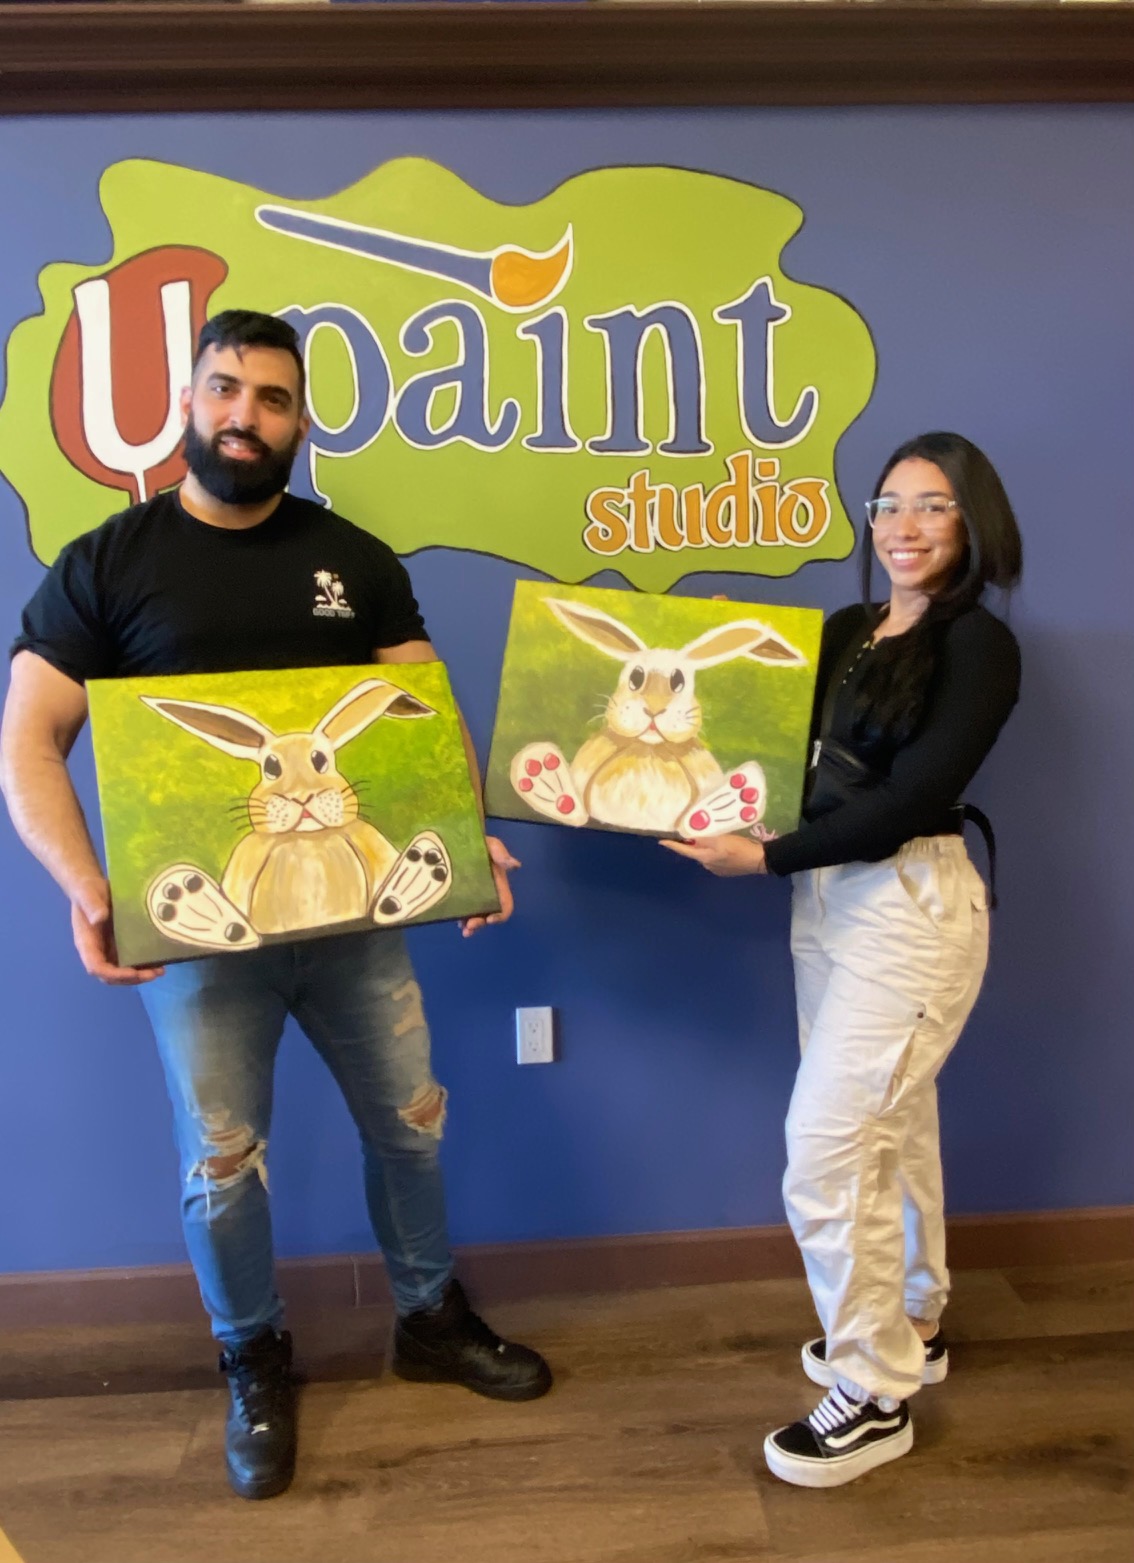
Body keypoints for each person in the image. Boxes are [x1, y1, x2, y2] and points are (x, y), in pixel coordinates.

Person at [0, 309, 552, 1502]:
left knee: (412, 1122)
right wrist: (87, 886)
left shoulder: (355, 560)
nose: (243, 415)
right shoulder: (105, 564)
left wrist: (467, 844)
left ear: (300, 423)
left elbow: (420, 712)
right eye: (224, 389)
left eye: (271, 398)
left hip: (357, 922)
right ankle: (251, 1356)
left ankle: (428, 1317)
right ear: (187, 403)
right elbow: (28, 739)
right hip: (200, 941)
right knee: (222, 1163)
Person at [664, 432, 1022, 1488]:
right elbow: (767, 740)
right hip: (825, 901)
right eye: (888, 504)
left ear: (974, 523)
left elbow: (911, 798)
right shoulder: (845, 629)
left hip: (910, 903)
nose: (904, 526)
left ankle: (873, 1391)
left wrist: (765, 856)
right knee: (892, 1124)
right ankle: (915, 1316)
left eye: (933, 505)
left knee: (828, 1148)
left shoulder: (980, 645)